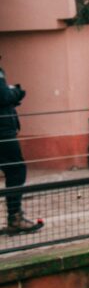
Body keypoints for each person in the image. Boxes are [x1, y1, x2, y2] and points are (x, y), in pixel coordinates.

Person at [0, 59, 42, 235]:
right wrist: (16, 92)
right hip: (2, 132)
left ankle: (15, 217)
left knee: (14, 170)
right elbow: (3, 97)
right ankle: (15, 218)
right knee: (17, 170)